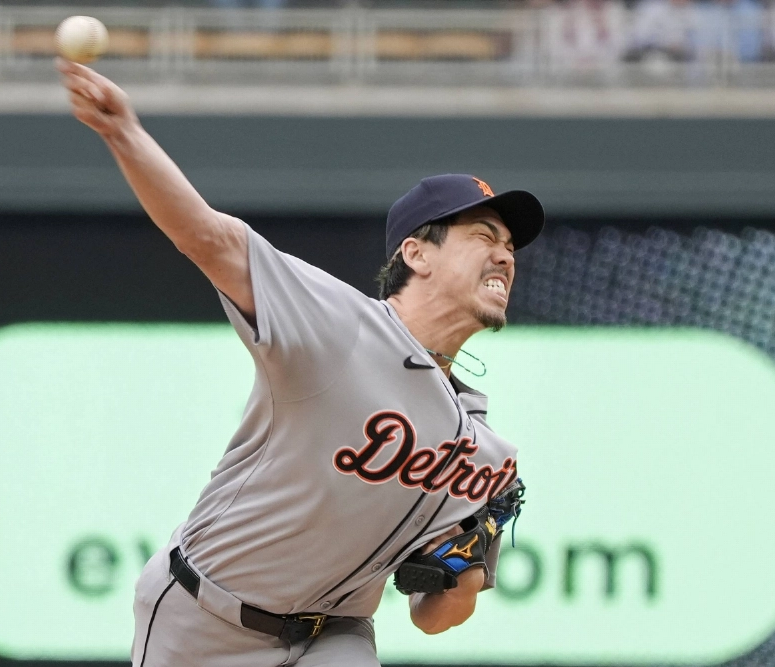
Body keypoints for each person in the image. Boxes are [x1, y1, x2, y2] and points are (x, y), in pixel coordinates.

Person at [55, 56, 543, 667]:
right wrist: (124, 133)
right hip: (203, 618)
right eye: (484, 236)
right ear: (416, 253)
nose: (505, 257)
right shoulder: (339, 327)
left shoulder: (483, 453)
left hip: (335, 636)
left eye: (510, 247)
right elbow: (208, 238)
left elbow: (434, 620)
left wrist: (462, 571)